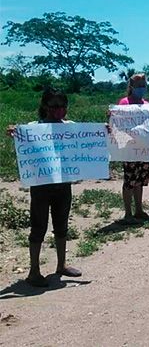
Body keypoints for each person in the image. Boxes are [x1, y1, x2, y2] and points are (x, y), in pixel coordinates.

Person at [6, 88, 82, 287]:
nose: (59, 111)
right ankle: (34, 271)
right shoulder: (34, 128)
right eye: (54, 106)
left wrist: (102, 133)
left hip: (63, 184)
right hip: (41, 186)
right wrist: (15, 132)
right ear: (45, 107)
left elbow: (88, 141)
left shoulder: (70, 127)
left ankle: (61, 265)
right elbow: (21, 141)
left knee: (62, 225)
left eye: (63, 106)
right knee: (38, 226)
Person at [115, 74, 149, 223]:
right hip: (128, 148)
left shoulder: (146, 105)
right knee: (129, 180)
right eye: (139, 85)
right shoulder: (124, 103)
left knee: (140, 180)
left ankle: (139, 210)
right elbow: (118, 122)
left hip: (142, 148)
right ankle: (128, 213)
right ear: (131, 87)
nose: (142, 88)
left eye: (144, 85)